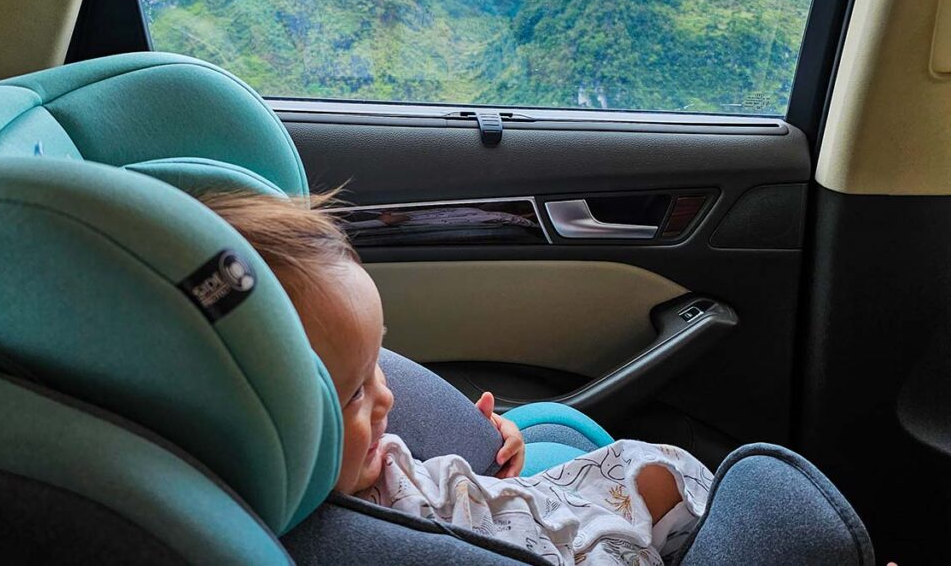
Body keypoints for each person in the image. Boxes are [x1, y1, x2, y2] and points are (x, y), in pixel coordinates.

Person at [202, 191, 711, 565]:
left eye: (376, 362)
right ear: (270, 435)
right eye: (355, 392)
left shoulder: (353, 468)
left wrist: (493, 446)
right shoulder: (375, 538)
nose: (387, 397)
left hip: (509, 501)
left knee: (648, 466)